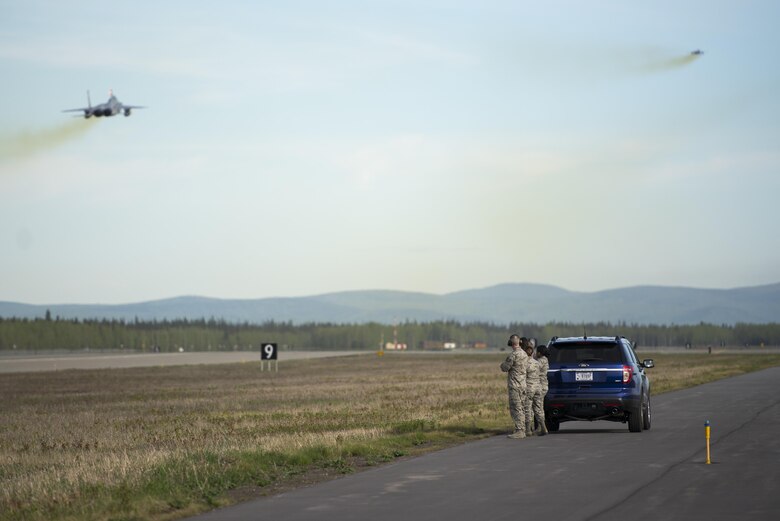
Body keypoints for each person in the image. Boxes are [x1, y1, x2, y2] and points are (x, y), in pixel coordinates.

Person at [500, 334, 529, 439]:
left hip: (515, 385)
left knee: (515, 408)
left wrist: (502, 364)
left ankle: (519, 430)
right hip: (523, 385)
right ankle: (523, 429)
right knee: (521, 407)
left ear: (512, 343)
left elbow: (505, 368)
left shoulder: (513, 355)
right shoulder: (525, 354)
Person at [524, 339, 541, 436]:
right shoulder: (537, 362)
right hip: (537, 386)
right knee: (538, 408)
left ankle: (528, 429)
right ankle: (542, 426)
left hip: (529, 387)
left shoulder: (524, 362)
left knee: (528, 408)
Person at [535, 344, 550, 435]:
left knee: (538, 407)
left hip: (541, 385)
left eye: (537, 352)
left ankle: (542, 427)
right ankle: (541, 427)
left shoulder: (541, 360)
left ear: (540, 353)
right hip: (543, 385)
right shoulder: (544, 360)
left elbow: (534, 368)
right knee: (539, 406)